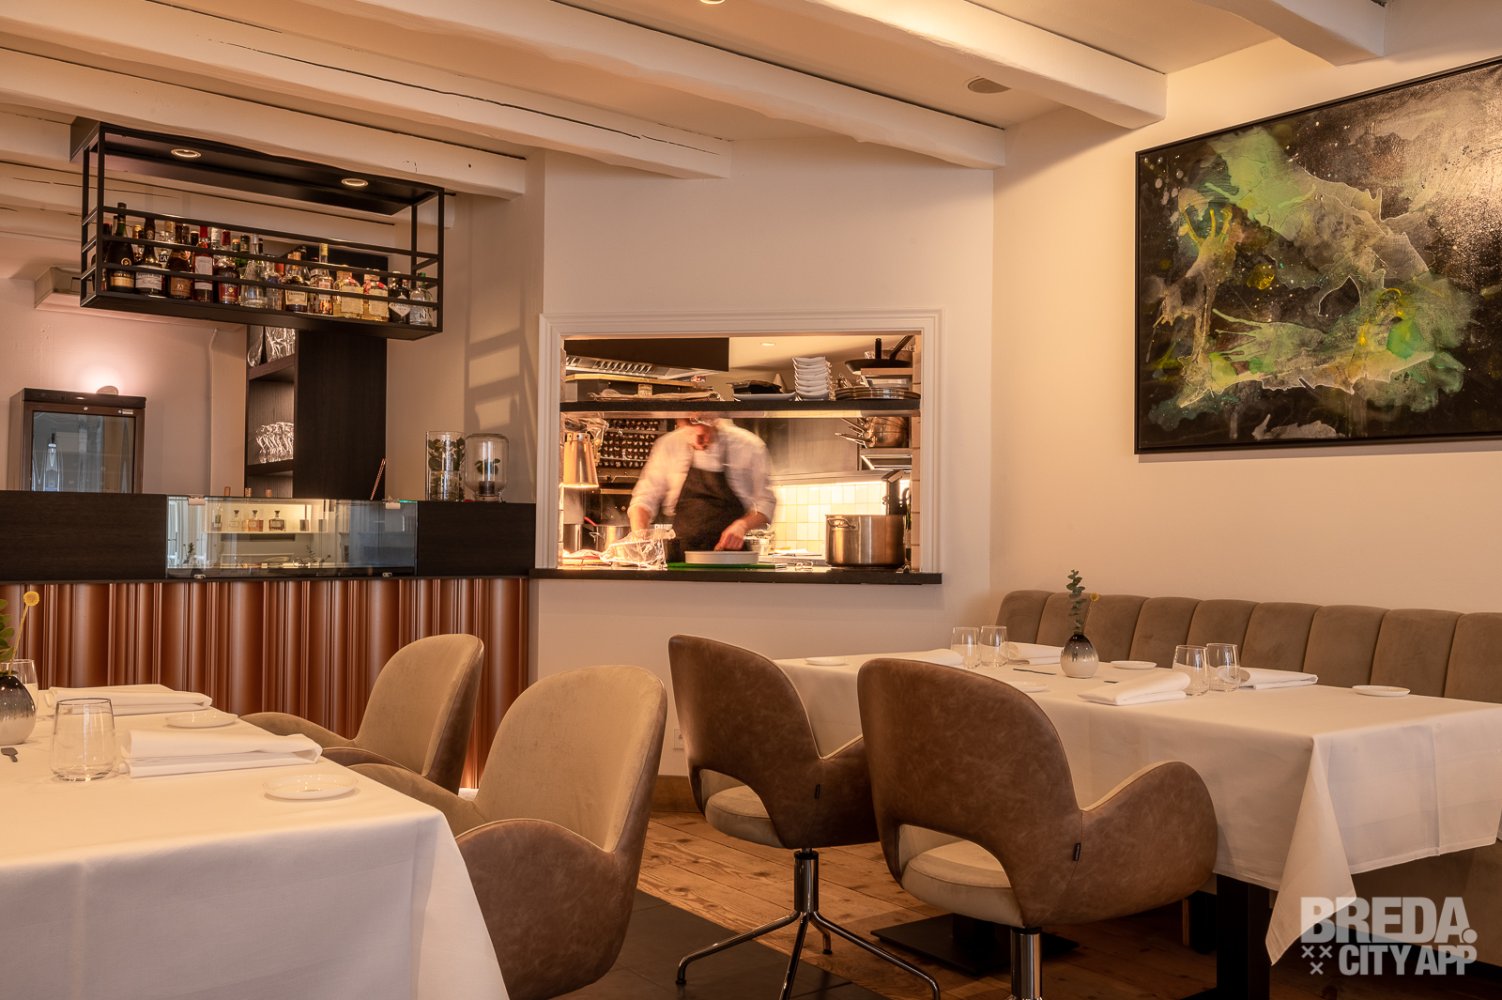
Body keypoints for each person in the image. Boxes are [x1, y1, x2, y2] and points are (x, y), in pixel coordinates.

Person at [629, 416, 775, 558]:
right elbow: (644, 499)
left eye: (704, 429)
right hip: (681, 557)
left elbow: (766, 502)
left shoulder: (748, 446)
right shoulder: (668, 445)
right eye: (691, 427)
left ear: (715, 419)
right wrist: (640, 536)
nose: (699, 438)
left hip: (731, 557)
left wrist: (742, 525)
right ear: (680, 422)